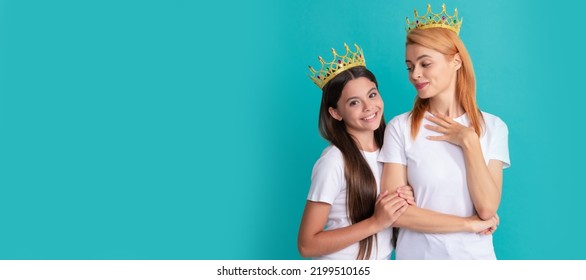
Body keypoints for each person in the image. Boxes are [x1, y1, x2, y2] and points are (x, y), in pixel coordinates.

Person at [298, 43, 495, 260]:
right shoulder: (335, 161)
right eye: (354, 102)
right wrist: (377, 221)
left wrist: (407, 195)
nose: (368, 107)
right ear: (335, 113)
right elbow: (307, 245)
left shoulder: (388, 149)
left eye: (372, 95)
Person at [379, 4, 510, 259]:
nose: (415, 74)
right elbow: (395, 213)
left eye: (425, 63)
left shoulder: (493, 128)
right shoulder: (400, 128)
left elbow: (486, 208)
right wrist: (467, 224)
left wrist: (468, 140)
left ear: (456, 61)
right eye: (410, 66)